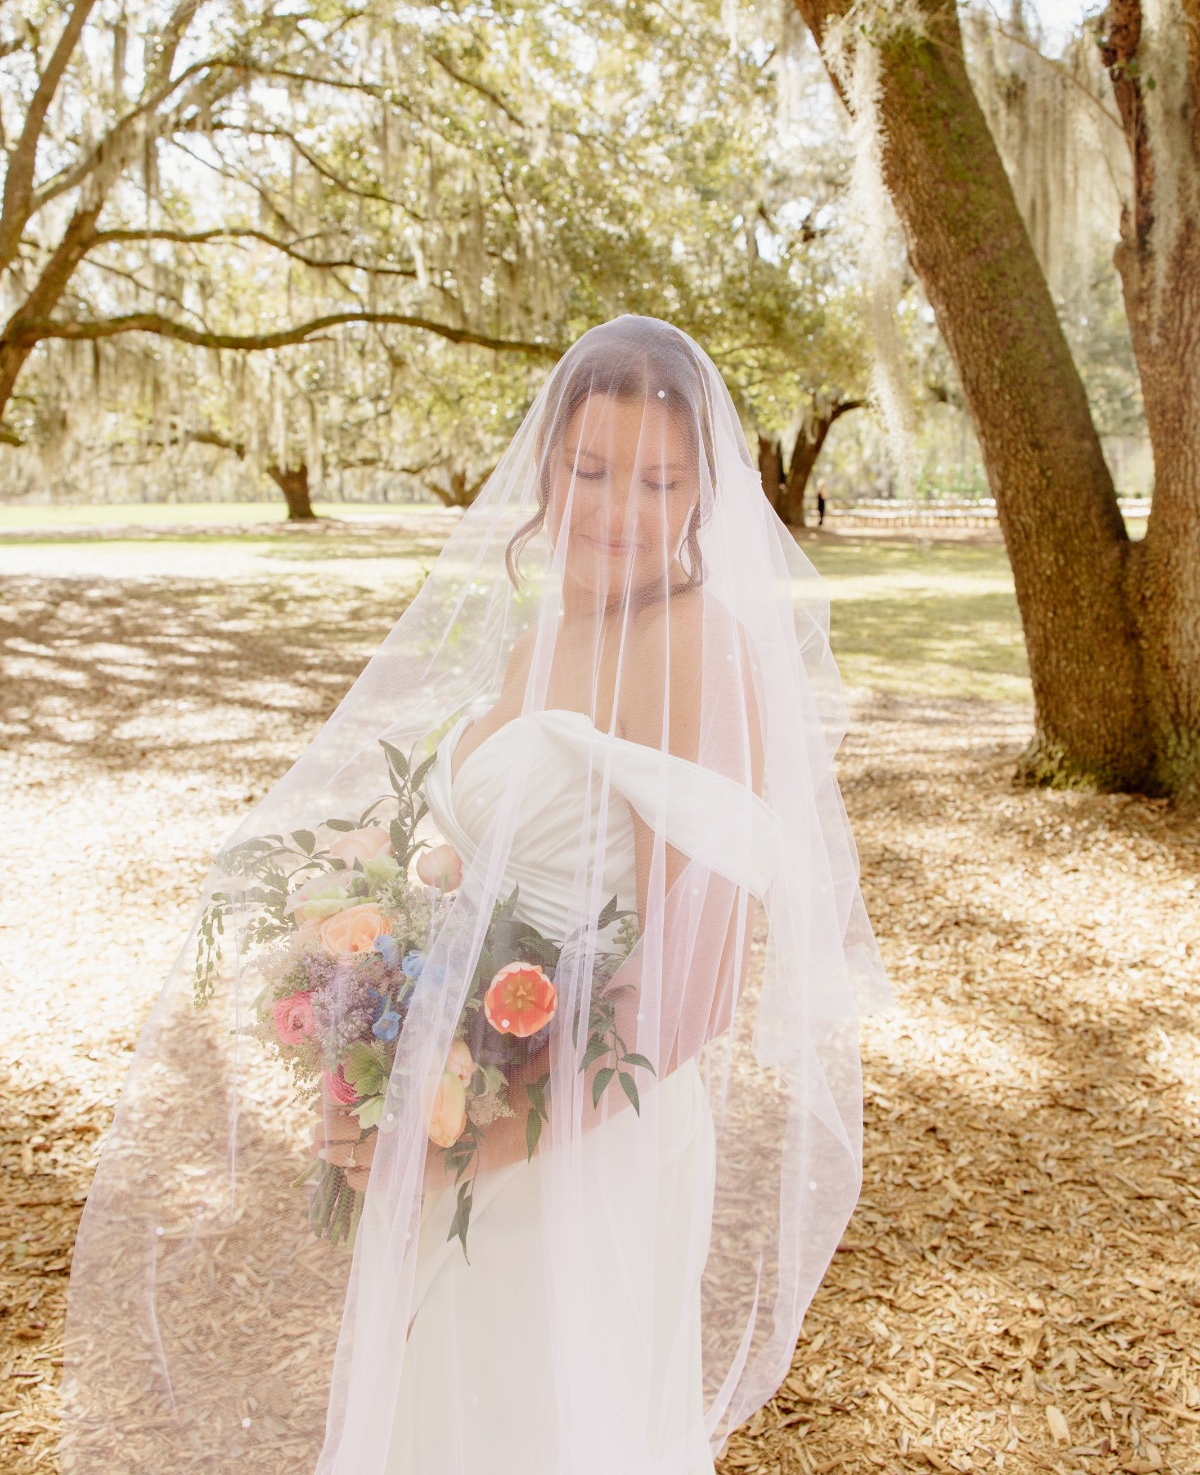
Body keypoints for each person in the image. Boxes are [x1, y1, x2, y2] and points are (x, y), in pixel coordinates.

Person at [61, 317, 888, 1475]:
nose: (616, 510)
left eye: (658, 482)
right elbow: (462, 862)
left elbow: (695, 994)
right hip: (477, 1119)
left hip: (585, 1143)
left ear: (705, 495)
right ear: (547, 465)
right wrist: (379, 1031)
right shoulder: (543, 633)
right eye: (590, 471)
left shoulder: (701, 646)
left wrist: (467, 1143)